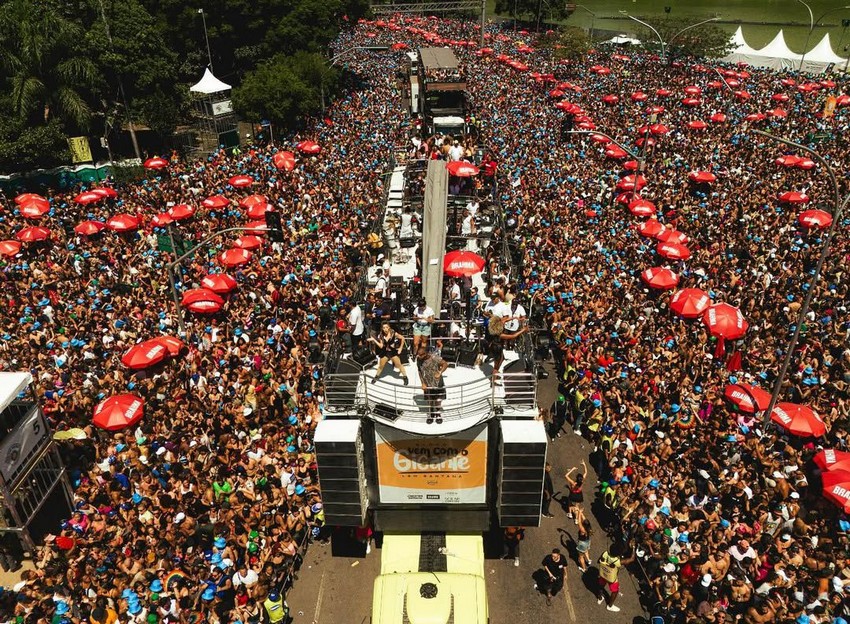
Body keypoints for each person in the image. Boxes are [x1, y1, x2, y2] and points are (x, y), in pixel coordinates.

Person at [596, 542, 633, 612]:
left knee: (601, 585)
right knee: (615, 591)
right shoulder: (617, 561)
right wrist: (633, 548)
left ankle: (600, 598)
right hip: (611, 578)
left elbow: (599, 561)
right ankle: (610, 606)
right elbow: (631, 559)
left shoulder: (605, 553)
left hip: (603, 574)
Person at [416, 344, 448, 424]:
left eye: (421, 355)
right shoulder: (418, 359)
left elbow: (445, 364)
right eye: (418, 355)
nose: (419, 357)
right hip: (427, 383)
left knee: (438, 400)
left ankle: (438, 413)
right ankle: (431, 412)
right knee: (430, 400)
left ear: (426, 353)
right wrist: (422, 383)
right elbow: (419, 371)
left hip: (437, 383)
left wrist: (439, 372)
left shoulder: (434, 357)